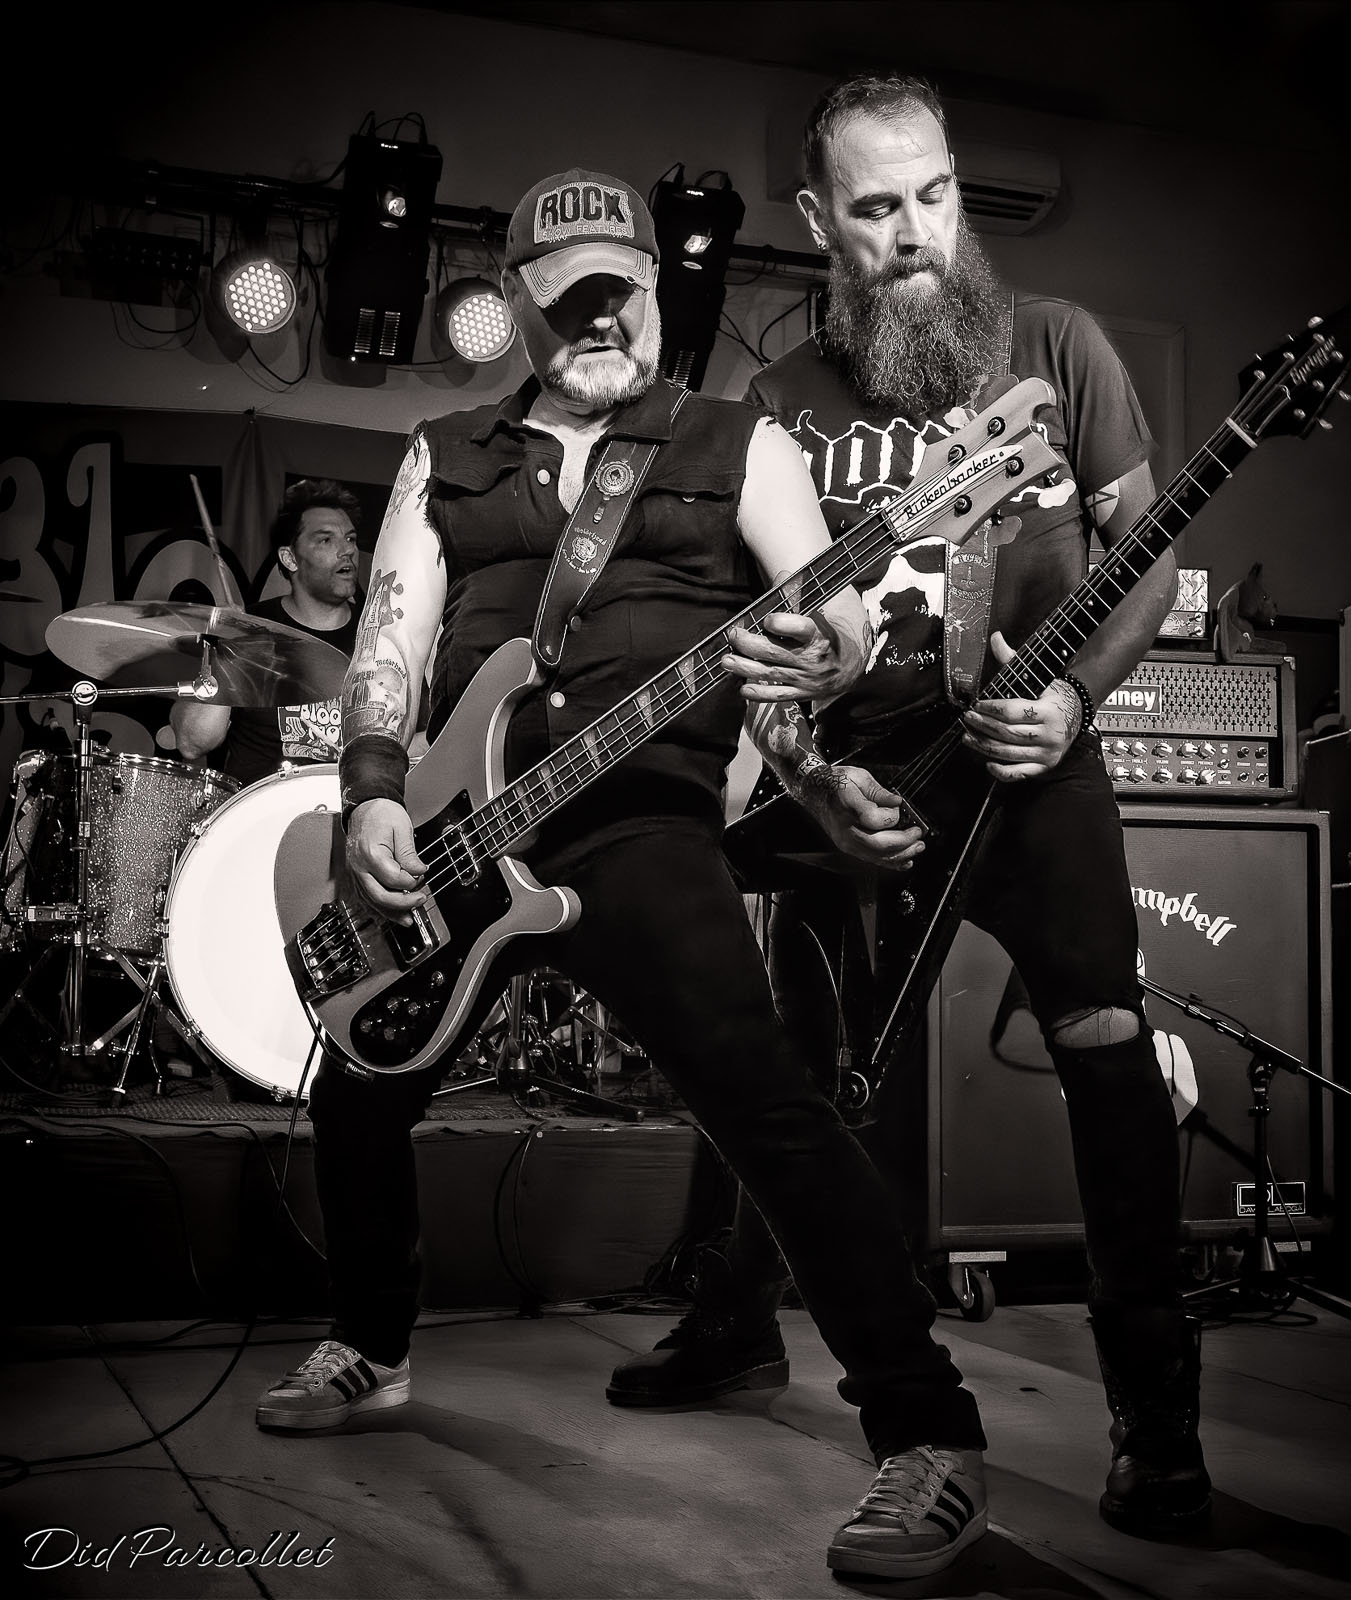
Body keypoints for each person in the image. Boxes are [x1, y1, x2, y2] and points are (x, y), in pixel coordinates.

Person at [254, 166, 992, 1582]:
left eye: (624, 293)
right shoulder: (448, 455)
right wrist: (371, 794)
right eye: (570, 299)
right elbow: (392, 642)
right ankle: (370, 1343)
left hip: (643, 823)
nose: (601, 319)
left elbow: (832, 622)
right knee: (361, 1080)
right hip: (461, 834)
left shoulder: (736, 442)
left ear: (658, 291)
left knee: (768, 1105)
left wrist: (818, 669)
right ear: (518, 308)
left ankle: (928, 1433)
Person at [605, 76, 1211, 1538]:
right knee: (787, 1070)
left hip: (1032, 767)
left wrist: (1075, 701)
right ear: (821, 222)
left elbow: (1149, 557)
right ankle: (738, 1321)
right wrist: (814, 781)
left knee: (1108, 1054)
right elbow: (755, 654)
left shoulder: (1057, 346)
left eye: (934, 194)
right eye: (877, 208)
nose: (917, 230)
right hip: (859, 784)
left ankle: (1156, 1419)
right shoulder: (776, 406)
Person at [169, 478, 362, 784]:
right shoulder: (249, 628)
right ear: (289, 558)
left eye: (350, 539)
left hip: (351, 804)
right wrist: (228, 653)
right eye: (326, 540)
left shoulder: (379, 634)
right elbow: (192, 743)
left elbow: (420, 738)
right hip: (262, 807)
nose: (347, 550)